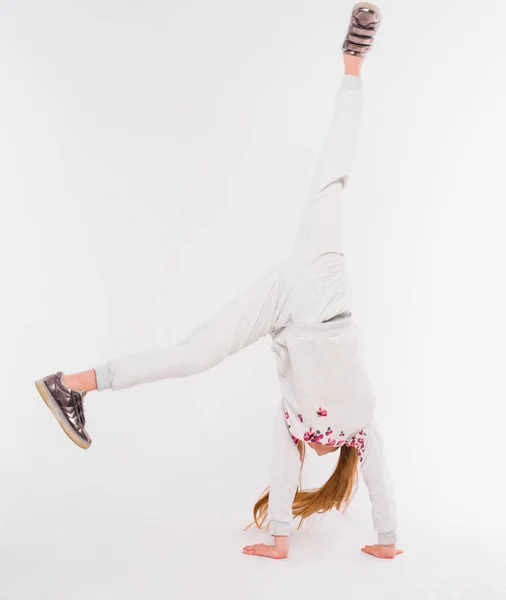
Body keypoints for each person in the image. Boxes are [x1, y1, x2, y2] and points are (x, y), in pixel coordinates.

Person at [35, 3, 404, 561]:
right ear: (345, 449)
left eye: (316, 447)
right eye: (326, 447)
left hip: (284, 307)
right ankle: (353, 63)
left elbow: (285, 467)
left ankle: (73, 383)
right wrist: (389, 539)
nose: (316, 442)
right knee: (332, 176)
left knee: (192, 354)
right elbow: (380, 481)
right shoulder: (361, 425)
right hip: (323, 292)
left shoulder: (296, 423)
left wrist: (280, 537)